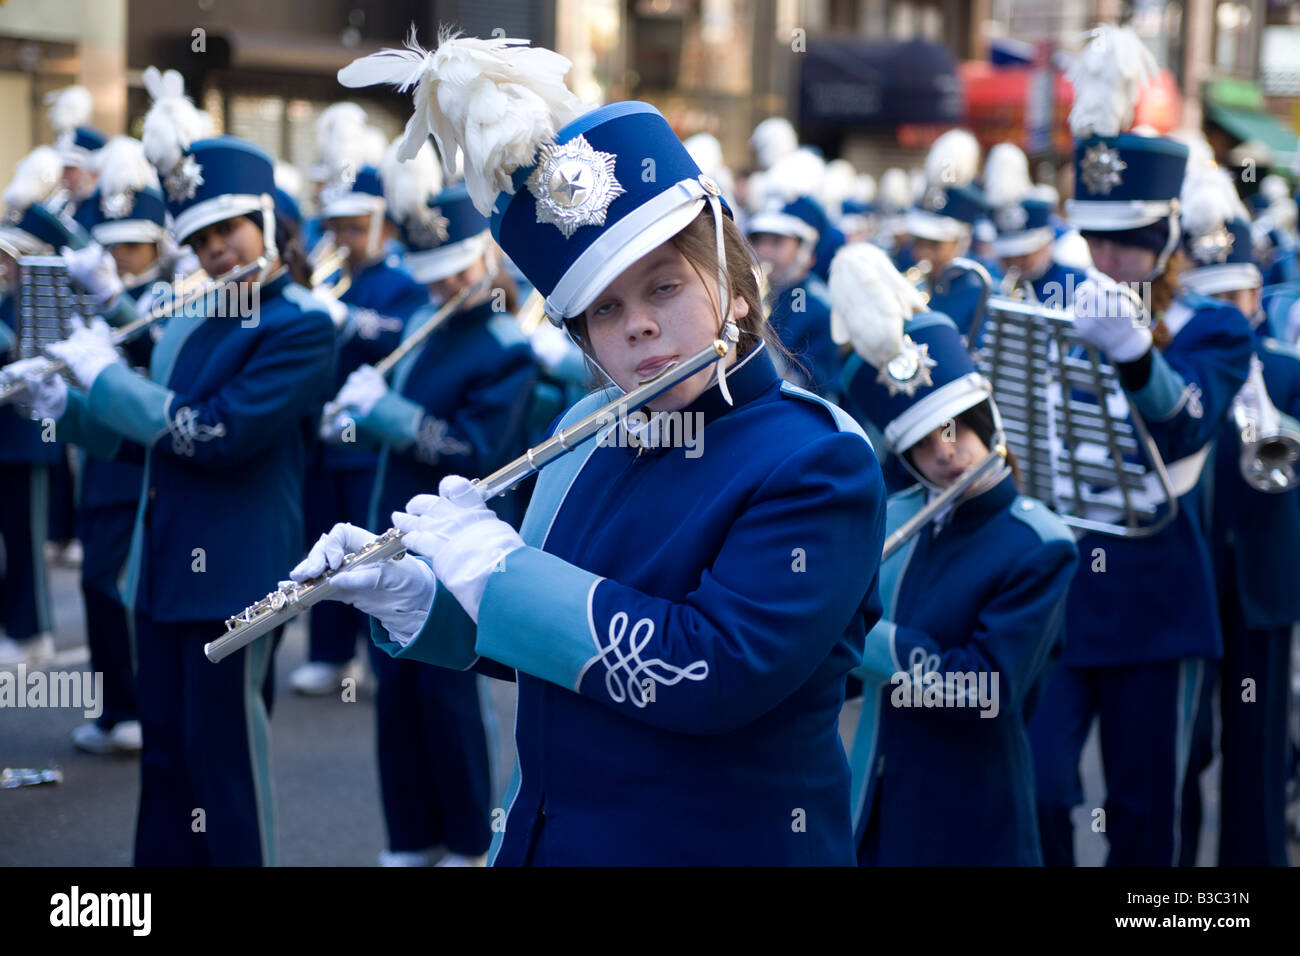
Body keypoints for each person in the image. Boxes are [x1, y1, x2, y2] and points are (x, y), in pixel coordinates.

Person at [294, 29, 887, 865]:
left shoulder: (815, 461)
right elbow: (557, 655)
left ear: (736, 288)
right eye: (603, 311)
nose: (638, 323)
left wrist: (497, 570)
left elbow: (707, 671)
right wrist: (423, 603)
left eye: (666, 287)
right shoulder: (582, 438)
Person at [7, 68, 335, 866]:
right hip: (161, 570)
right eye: (199, 239)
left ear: (264, 221)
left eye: (228, 231)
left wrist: (107, 377)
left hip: (236, 575)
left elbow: (212, 433)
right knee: (166, 765)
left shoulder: (300, 326)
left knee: (224, 768)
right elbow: (145, 430)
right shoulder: (194, 317)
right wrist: (67, 406)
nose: (215, 250)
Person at [1025, 25, 1253, 867]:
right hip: (1066, 600)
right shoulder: (1067, 307)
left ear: (1165, 237)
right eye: (1096, 237)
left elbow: (1189, 420)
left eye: (1127, 239)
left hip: (1161, 603)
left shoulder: (1217, 326)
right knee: (1043, 783)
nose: (1108, 257)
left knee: (1145, 816)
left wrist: (1136, 355)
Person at [832, 243, 1078, 865]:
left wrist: (865, 638)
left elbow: (984, 688)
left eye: (958, 425)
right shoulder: (898, 518)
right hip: (879, 789)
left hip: (971, 807)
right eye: (923, 441)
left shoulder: (1040, 543)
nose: (946, 451)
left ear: (984, 418)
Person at [320, 163, 537, 866]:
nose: (444, 285)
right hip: (397, 523)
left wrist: (384, 413)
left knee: (447, 695)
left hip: (456, 537)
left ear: (485, 255)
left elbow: (476, 450)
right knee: (396, 689)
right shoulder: (421, 315)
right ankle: (411, 835)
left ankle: (471, 840)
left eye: (456, 269)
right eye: (434, 272)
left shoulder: (506, 347)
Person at [1175, 162, 1300, 866]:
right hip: (1190, 578)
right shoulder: (1184, 365)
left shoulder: (1285, 371)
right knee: (1183, 750)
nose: (1229, 308)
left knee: (1256, 748)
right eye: (1211, 295)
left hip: (1265, 580)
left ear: (1256, 294)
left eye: (1239, 293)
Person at [291, 141, 429, 697]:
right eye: (336, 228)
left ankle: (378, 653)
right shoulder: (335, 276)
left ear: (379, 225)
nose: (342, 240)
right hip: (326, 439)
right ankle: (329, 651)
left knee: (371, 549)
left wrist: (350, 319)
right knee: (322, 543)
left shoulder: (404, 277)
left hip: (369, 442)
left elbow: (405, 333)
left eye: (353, 228)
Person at [63, 135, 174, 754]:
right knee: (96, 585)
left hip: (146, 453)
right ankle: (113, 708)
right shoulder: (90, 289)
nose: (120, 257)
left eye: (132, 245)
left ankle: (139, 707)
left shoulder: (177, 290)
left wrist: (114, 303)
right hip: (103, 455)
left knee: (127, 586)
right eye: (110, 246)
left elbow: (160, 359)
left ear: (156, 244)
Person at [898, 129, 995, 338]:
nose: (924, 254)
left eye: (935, 245)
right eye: (918, 242)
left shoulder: (981, 290)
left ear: (962, 241)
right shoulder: (909, 276)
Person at [746, 192, 842, 401]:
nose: (763, 250)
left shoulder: (819, 307)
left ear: (803, 250)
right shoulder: (752, 292)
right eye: (757, 240)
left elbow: (813, 387)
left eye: (776, 242)